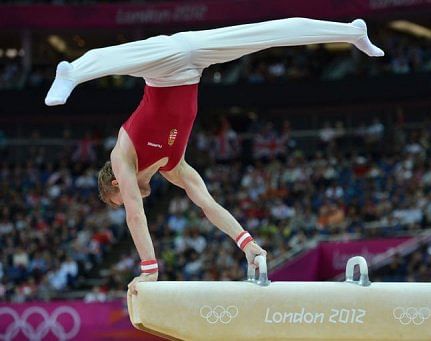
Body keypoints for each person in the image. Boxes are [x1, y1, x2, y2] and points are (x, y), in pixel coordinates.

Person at [44, 17, 384, 295]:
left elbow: (136, 215)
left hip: (162, 66)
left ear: (116, 182)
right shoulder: (174, 168)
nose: (126, 202)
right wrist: (246, 243)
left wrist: (149, 269)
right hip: (194, 62)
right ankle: (354, 32)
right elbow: (209, 205)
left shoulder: (122, 155)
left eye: (117, 198)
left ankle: (71, 71)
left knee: (120, 58)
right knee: (268, 34)